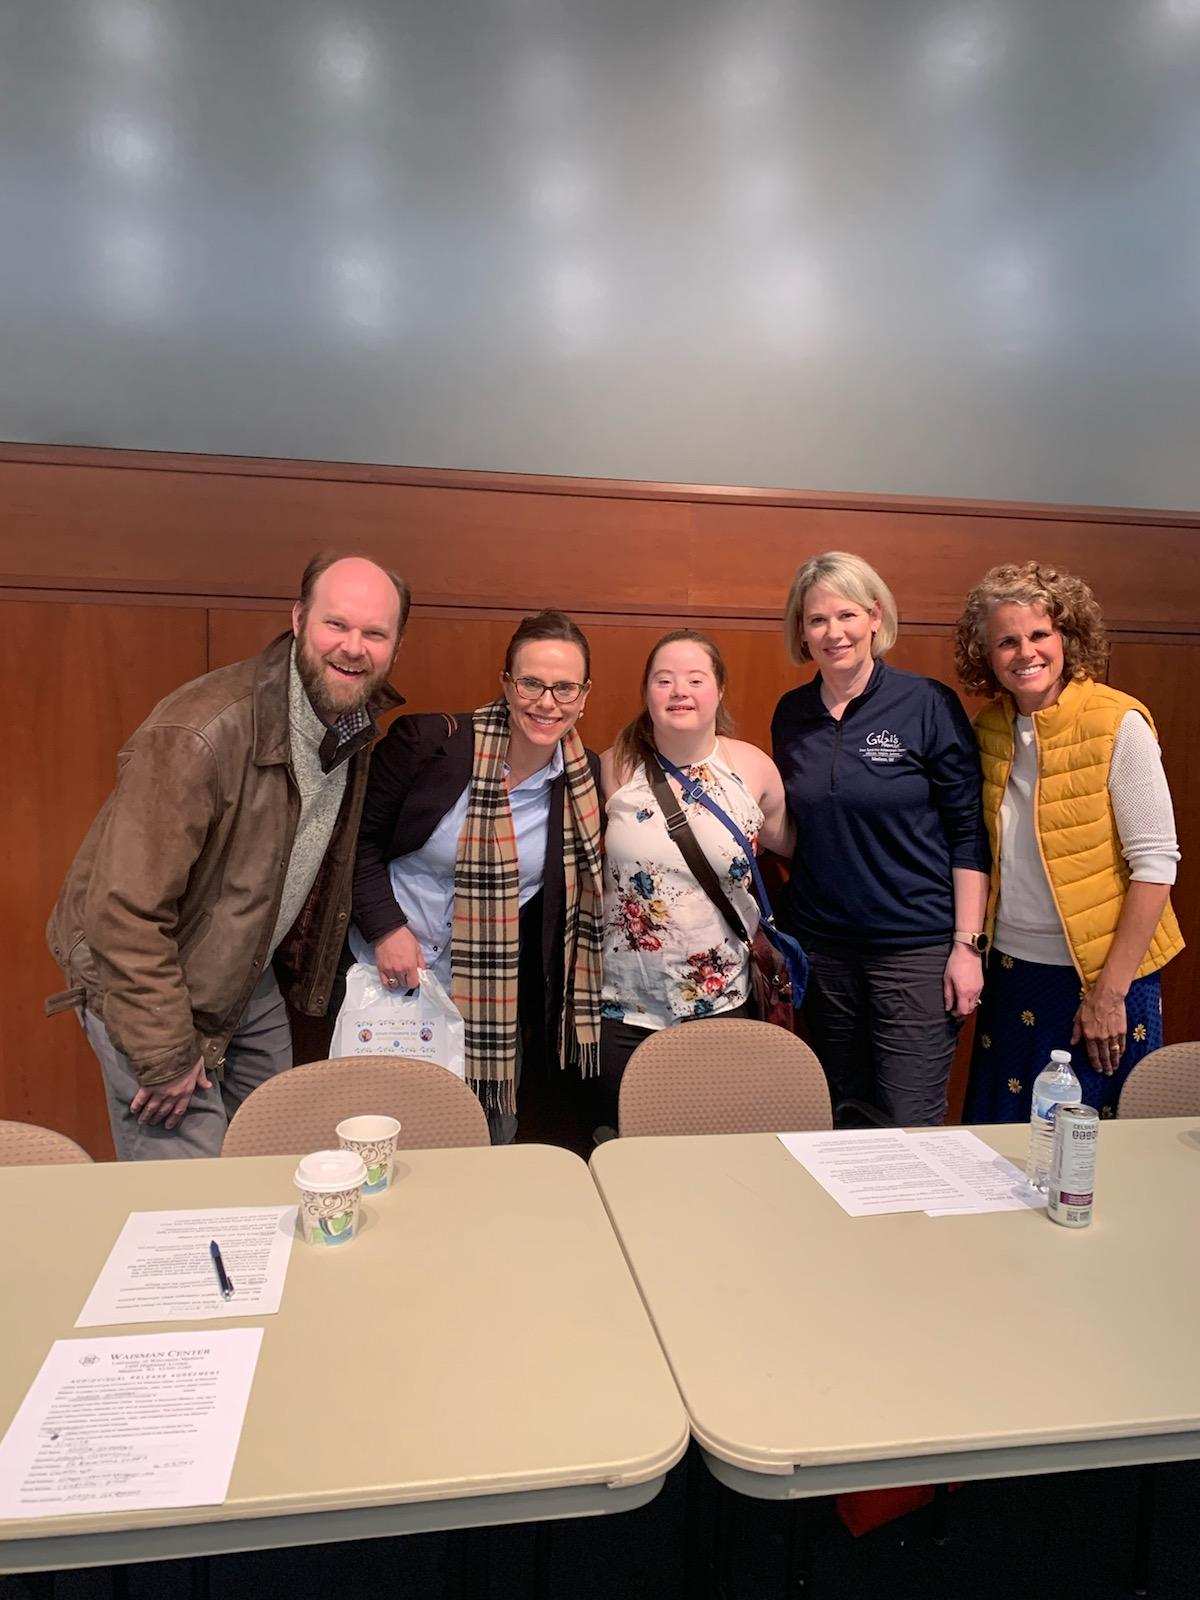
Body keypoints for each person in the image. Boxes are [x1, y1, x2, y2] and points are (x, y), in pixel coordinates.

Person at [46, 553, 409, 1159]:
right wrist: (163, 1053)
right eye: (335, 625)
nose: (353, 647)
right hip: (145, 978)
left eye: (375, 633)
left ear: (395, 644)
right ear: (298, 620)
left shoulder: (351, 724)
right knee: (191, 1203)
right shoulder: (201, 733)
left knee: (276, 1155)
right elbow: (122, 911)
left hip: (245, 972)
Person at [350, 610, 603, 1147]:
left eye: (564, 688)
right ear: (507, 683)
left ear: (584, 695)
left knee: (477, 1144)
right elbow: (356, 846)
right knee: (380, 1137)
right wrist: (385, 929)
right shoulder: (428, 743)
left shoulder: (585, 782)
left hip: (487, 1000)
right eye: (531, 683)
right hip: (386, 977)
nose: (546, 702)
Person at [955, 561, 1183, 1120]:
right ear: (986, 655)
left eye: (1039, 634)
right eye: (1006, 641)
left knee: (1093, 1149)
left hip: (1103, 977)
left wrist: (1109, 995)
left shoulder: (1117, 721)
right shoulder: (988, 727)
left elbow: (1156, 867)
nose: (1025, 652)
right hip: (1011, 971)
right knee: (1002, 1142)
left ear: (1067, 638)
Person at [771, 551, 990, 1126]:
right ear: (802, 630)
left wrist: (968, 946)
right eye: (817, 620)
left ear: (874, 617)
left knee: (909, 1120)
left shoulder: (927, 704)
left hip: (914, 948)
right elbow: (796, 828)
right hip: (822, 950)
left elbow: (969, 834)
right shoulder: (791, 714)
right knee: (840, 1114)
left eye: (846, 615)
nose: (833, 632)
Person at [594, 629, 792, 1131]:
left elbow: (790, 847)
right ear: (647, 692)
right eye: (664, 680)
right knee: (629, 1143)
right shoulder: (616, 766)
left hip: (722, 997)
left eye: (695, 679)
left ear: (719, 690)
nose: (679, 691)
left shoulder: (751, 768)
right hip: (624, 1001)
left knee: (713, 1141)